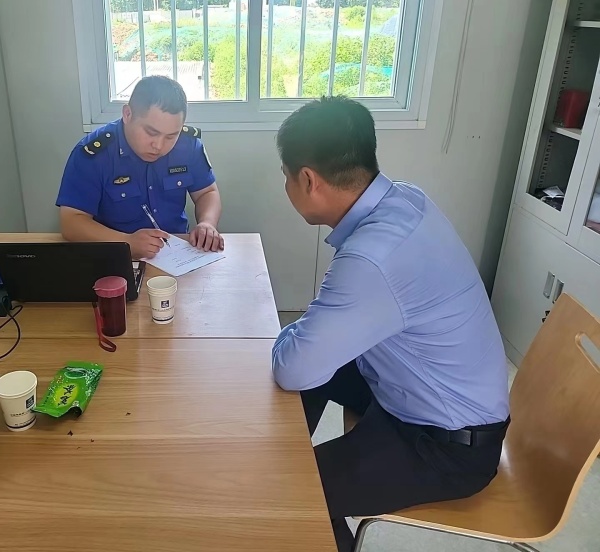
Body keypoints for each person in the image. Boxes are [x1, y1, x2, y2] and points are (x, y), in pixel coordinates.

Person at [271, 96, 510, 552]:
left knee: (289, 492)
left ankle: (286, 482)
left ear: (309, 180)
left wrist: (291, 337)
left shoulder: (372, 258)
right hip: (417, 391)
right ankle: (279, 448)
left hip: (446, 446)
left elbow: (292, 368)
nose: (286, 186)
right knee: (312, 359)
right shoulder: (405, 199)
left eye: (286, 176)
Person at [56, 75, 224, 259]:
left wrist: (207, 223)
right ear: (127, 114)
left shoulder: (188, 145)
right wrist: (126, 242)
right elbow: (71, 222)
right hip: (114, 254)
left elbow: (207, 192)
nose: (159, 145)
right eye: (151, 132)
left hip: (176, 254)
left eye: (171, 136)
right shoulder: (94, 154)